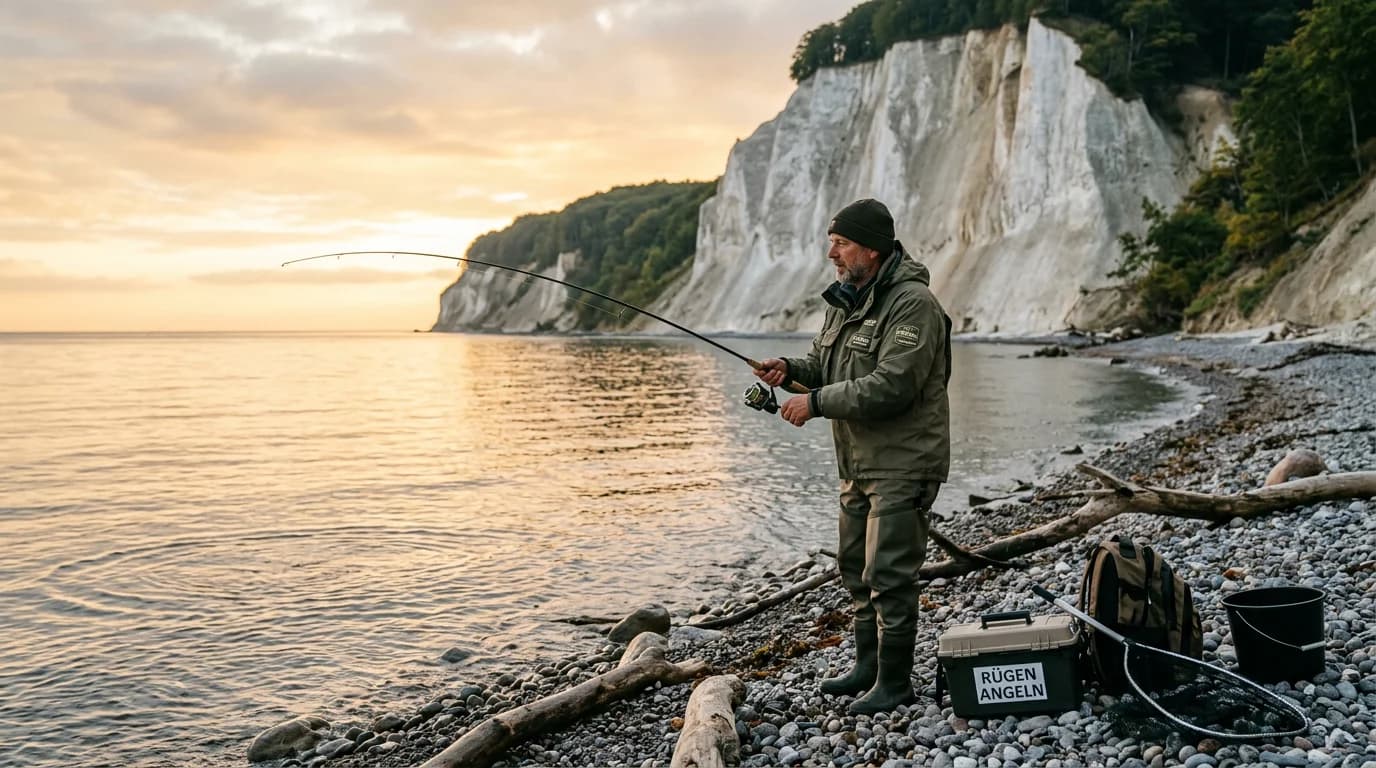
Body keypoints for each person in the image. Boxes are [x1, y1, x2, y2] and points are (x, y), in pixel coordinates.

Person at [754, 198, 951, 714]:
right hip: (858, 463)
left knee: (888, 574)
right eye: (832, 243)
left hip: (903, 463)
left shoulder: (913, 304)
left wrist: (814, 403)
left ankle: (894, 684)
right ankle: (867, 667)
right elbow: (823, 364)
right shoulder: (849, 299)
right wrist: (787, 368)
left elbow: (893, 386)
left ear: (871, 248)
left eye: (840, 244)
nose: (831, 254)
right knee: (854, 567)